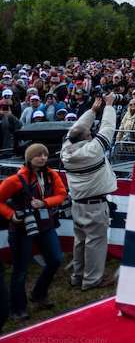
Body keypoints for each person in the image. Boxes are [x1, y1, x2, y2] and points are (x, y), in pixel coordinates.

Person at [0, 143, 68, 320]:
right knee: (20, 270)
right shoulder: (15, 179)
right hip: (22, 229)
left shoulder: (52, 174)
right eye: (38, 155)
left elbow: (62, 195)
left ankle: (38, 294)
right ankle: (17, 309)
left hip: (45, 225)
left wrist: (45, 203)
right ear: (29, 158)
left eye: (45, 154)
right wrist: (11, 215)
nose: (43, 157)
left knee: (55, 259)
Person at [60, 93, 119, 290]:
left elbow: (74, 129)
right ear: (86, 138)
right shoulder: (92, 150)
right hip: (94, 205)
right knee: (95, 242)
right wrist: (108, 106)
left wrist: (93, 111)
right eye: (88, 133)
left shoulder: (66, 149)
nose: (91, 133)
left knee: (81, 241)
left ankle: (78, 276)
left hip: (78, 203)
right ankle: (92, 280)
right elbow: (108, 128)